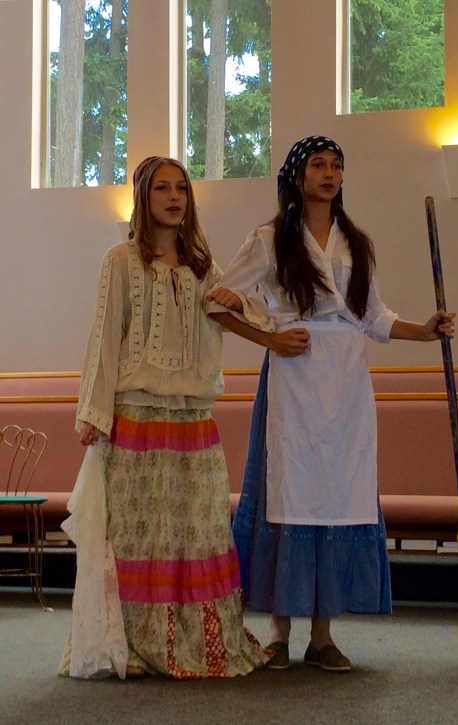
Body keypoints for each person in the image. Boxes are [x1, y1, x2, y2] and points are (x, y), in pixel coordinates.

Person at [206, 135, 455, 672]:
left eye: (337, 165)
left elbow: (373, 317)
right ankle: (278, 632)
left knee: (338, 495)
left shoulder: (356, 242)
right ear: (298, 177)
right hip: (295, 376)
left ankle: (322, 635)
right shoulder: (270, 239)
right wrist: (270, 338)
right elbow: (218, 303)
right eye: (318, 164)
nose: (329, 173)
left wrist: (425, 330)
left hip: (345, 384)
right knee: (288, 491)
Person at [59, 156, 270, 680]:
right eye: (162, 188)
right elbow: (104, 338)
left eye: (181, 188)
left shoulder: (205, 268)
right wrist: (94, 413)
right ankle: (132, 646)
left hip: (193, 422)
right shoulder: (120, 261)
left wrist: (238, 300)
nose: (174, 197)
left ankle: (195, 644)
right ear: (143, 197)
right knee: (137, 540)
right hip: (136, 418)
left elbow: (255, 310)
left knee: (195, 536)